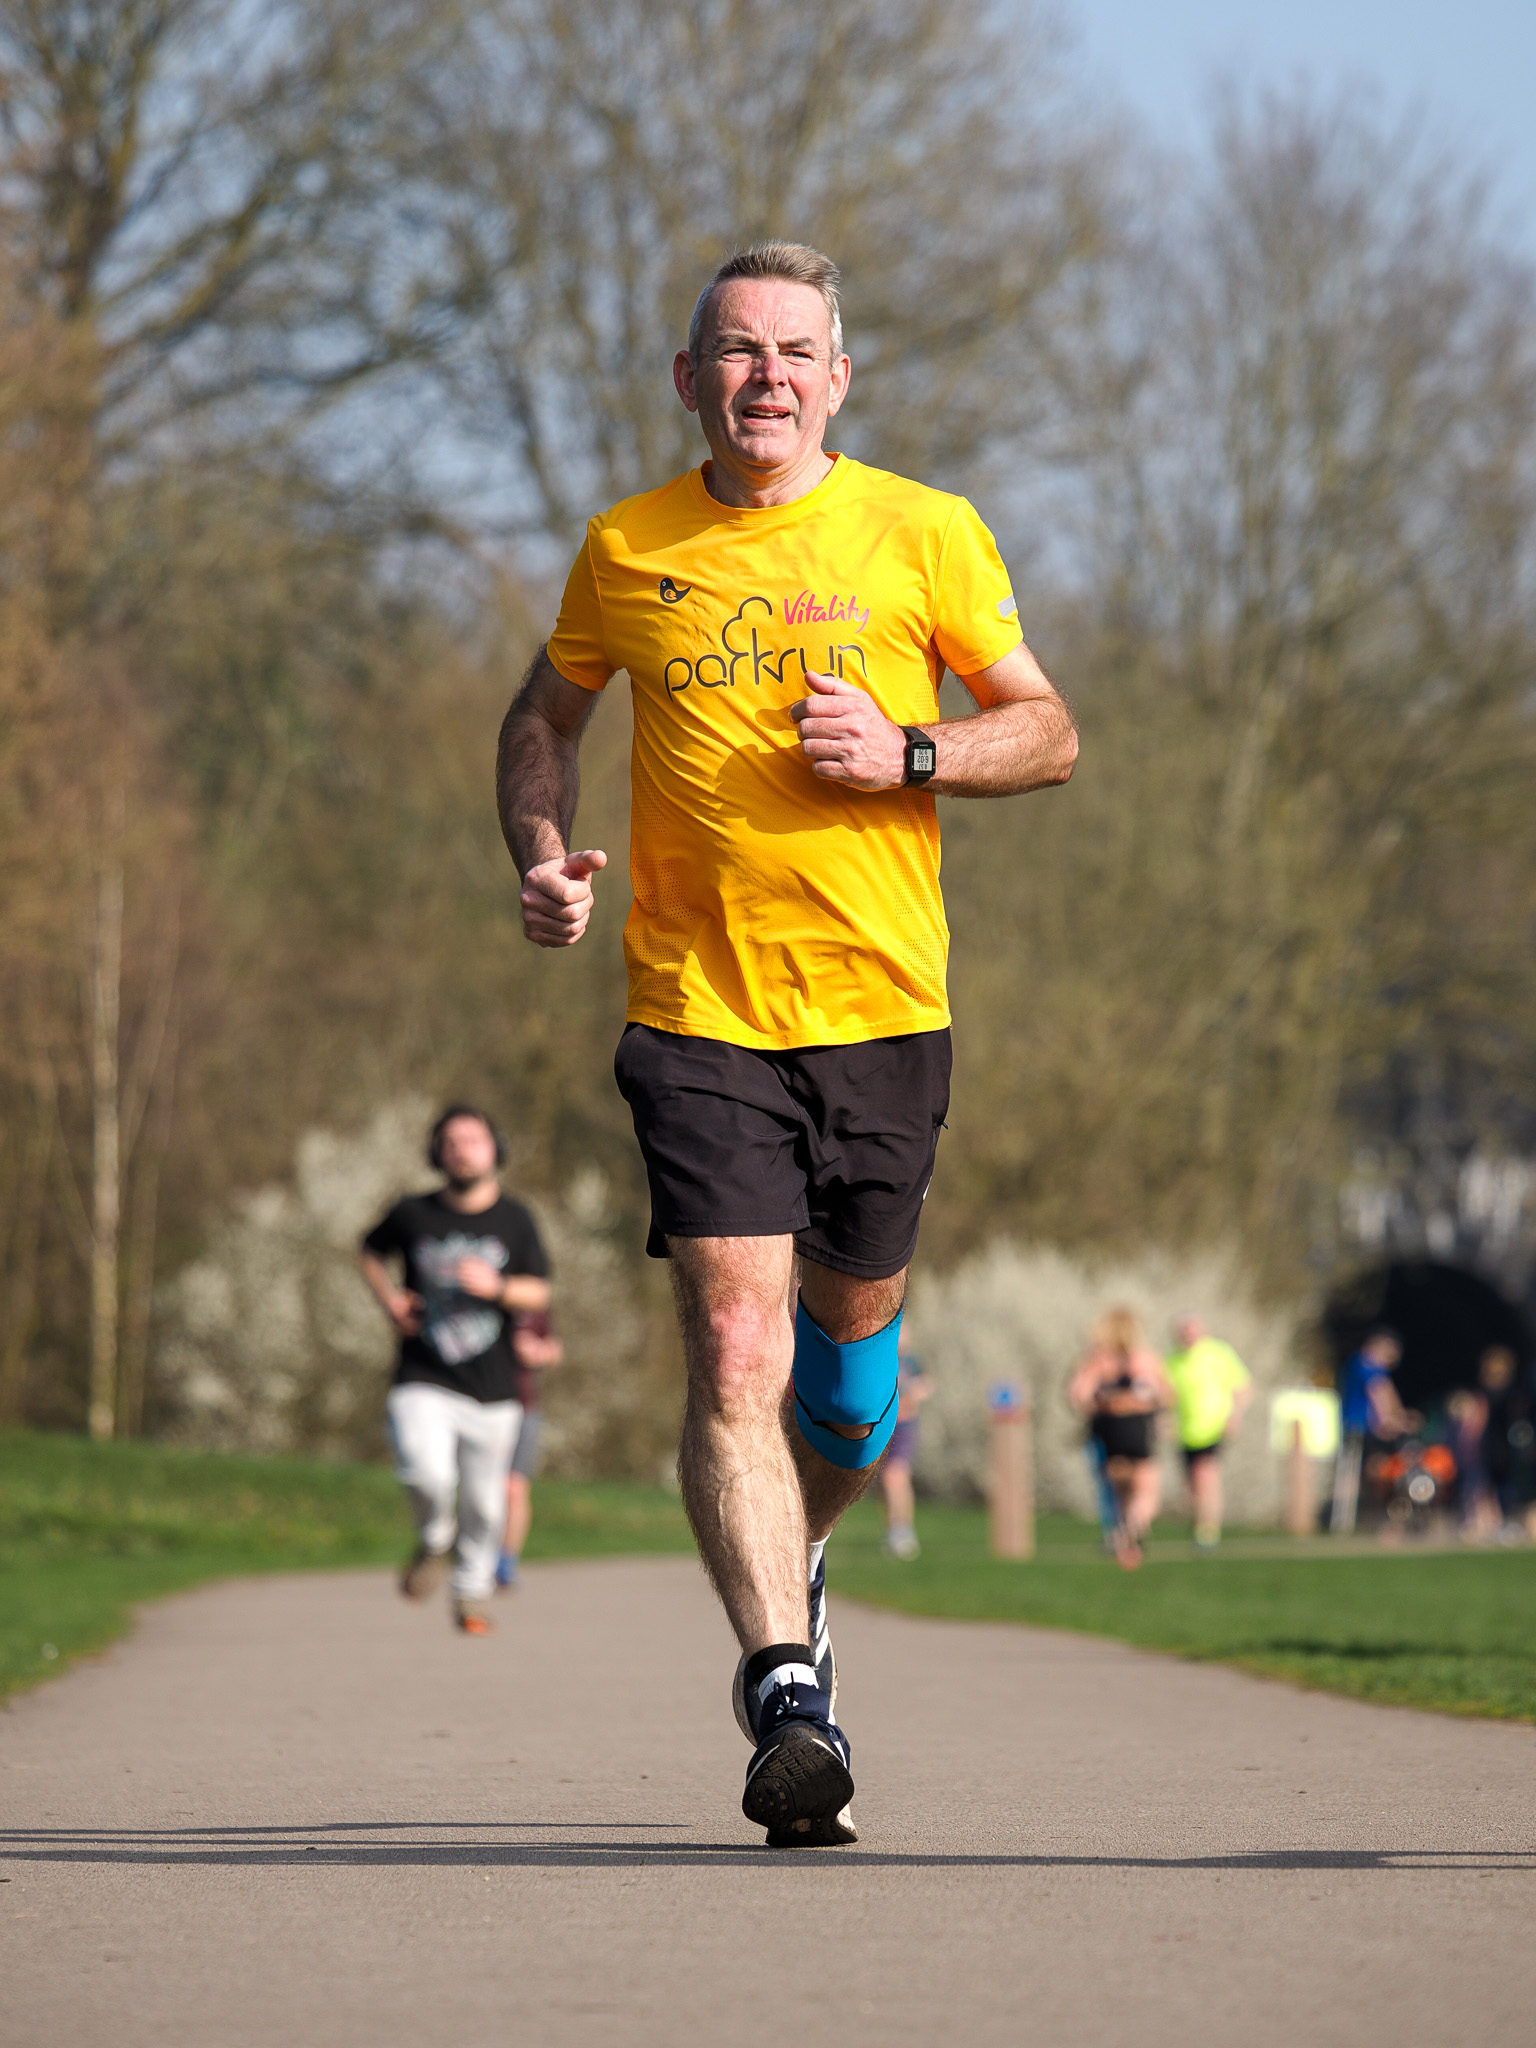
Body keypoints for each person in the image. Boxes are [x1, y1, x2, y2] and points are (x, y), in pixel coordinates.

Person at [495, 242, 1077, 1847]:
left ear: (840, 375)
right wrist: (537, 851)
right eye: (735, 350)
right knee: (737, 1353)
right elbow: (542, 717)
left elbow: (1049, 728)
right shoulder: (628, 546)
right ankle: (785, 1695)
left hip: (887, 1012)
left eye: (795, 350)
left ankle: (795, 1563)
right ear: (690, 379)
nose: (767, 375)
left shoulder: (924, 530)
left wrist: (910, 749)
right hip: (697, 1012)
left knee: (848, 1396)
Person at [360, 1105, 551, 1635]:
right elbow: (369, 1251)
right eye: (450, 1141)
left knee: (486, 1504)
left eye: (473, 1139)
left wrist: (498, 1289)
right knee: (426, 1471)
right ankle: (434, 1537)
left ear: (494, 1150)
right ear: (436, 1153)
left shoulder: (515, 1219)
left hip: (495, 1389)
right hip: (424, 1374)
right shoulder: (413, 1214)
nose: (461, 1148)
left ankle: (471, 1594)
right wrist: (389, 1300)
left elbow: (540, 1289)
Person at [1067, 1309, 1174, 1570]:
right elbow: (1167, 1394)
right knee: (1146, 1486)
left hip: (1108, 1426)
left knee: (1121, 1486)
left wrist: (1103, 1404)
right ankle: (1134, 1528)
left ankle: (1123, 1535)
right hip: (1137, 1424)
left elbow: (1078, 1395)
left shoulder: (1097, 1360)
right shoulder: (1146, 1358)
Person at [1164, 1314, 1253, 1550]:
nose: (1188, 1338)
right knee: (1191, 1485)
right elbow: (1166, 1395)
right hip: (1186, 1431)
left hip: (1214, 1426)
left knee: (1206, 1476)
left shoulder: (1219, 1354)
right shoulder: (1173, 1360)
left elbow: (1243, 1386)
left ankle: (1208, 1531)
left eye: (1192, 1332)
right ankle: (1199, 1526)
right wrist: (1166, 1420)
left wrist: (1235, 1415)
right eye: (1184, 1333)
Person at [496, 1308, 564, 1590]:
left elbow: (554, 1350)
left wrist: (535, 1350)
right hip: (485, 1406)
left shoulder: (536, 1304)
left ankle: (505, 1561)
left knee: (514, 1487)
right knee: (487, 1486)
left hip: (524, 1408)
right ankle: (476, 1554)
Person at [1330, 1327, 1419, 1534]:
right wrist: (1394, 1421)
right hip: (1360, 1427)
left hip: (1357, 1426)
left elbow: (1386, 1393)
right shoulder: (1368, 1366)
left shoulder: (1359, 1363)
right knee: (1363, 1472)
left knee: (1356, 1471)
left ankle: (1349, 1519)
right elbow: (1379, 1394)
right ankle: (1350, 1520)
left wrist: (1397, 1415)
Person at [880, 1342, 933, 1560]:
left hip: (904, 1425)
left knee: (896, 1475)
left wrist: (912, 1395)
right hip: (885, 1427)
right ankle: (893, 1528)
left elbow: (926, 1385)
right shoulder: (883, 1359)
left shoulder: (910, 1362)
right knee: (886, 1481)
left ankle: (902, 1531)